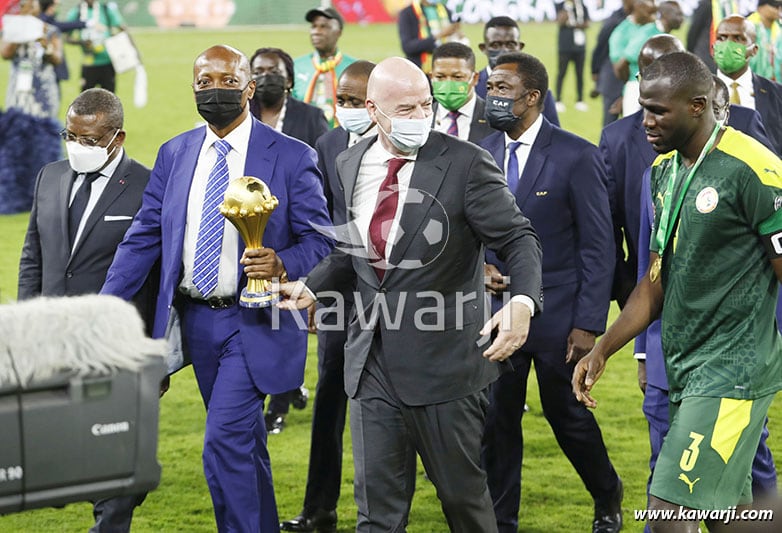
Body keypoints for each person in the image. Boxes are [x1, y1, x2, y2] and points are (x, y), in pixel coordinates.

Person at [277, 56, 543, 533]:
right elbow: (350, 249)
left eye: (426, 106)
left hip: (446, 367)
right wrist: (311, 286)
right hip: (370, 361)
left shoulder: (466, 163)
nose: (420, 117)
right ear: (374, 110)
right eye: (406, 109)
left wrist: (522, 303)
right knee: (376, 514)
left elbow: (518, 238)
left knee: (464, 505)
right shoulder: (347, 163)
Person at [100, 45, 334, 532]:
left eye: (227, 81)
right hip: (194, 319)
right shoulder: (175, 152)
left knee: (223, 442)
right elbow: (143, 237)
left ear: (249, 88)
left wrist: (283, 261)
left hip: (255, 318)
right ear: (192, 90)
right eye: (204, 82)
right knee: (243, 445)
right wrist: (103, 306)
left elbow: (321, 240)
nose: (215, 90)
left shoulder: (292, 156)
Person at [573, 51, 782, 532]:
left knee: (667, 512)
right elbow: (655, 281)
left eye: (657, 110)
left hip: (733, 375)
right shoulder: (664, 172)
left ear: (698, 104)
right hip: (685, 369)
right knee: (727, 516)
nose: (644, 121)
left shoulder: (754, 169)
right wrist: (604, 348)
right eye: (643, 106)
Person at [479, 52, 622, 533]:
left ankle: (607, 495)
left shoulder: (576, 154)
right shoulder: (481, 151)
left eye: (502, 89)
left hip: (560, 316)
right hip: (496, 313)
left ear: (532, 97)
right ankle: (501, 521)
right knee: (497, 422)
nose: (491, 97)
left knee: (568, 418)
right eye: (490, 86)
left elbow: (600, 246)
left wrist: (589, 325)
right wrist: (481, 266)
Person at [17, 87, 154, 533]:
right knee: (61, 437)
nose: (78, 147)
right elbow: (33, 256)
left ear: (118, 137)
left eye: (90, 140)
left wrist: (154, 350)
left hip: (112, 342)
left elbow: (157, 276)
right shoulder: (50, 176)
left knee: (115, 440)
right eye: (70, 135)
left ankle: (109, 523)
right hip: (52, 336)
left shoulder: (147, 186)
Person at [280, 59, 377, 533]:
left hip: (399, 300)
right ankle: (319, 509)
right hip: (340, 295)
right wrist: (318, 290)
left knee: (401, 407)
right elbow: (324, 228)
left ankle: (387, 508)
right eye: (344, 100)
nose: (350, 109)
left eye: (359, 102)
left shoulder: (405, 148)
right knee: (330, 400)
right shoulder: (329, 143)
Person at [600, 34, 684, 309]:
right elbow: (606, 220)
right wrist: (622, 280)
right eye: (653, 71)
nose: (662, 79)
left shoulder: (721, 131)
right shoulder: (616, 140)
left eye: (671, 70)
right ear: (639, 80)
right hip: (648, 295)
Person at [0, 0, 63, 214]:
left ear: (38, 7)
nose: (27, 7)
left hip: (43, 91)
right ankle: (16, 194)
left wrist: (44, 42)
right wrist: (20, 33)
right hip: (19, 92)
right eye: (23, 4)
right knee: (16, 142)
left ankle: (46, 193)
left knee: (43, 143)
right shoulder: (13, 28)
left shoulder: (50, 29)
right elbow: (5, 53)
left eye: (31, 4)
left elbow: (57, 58)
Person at [713, 15, 782, 155]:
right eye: (721, 38)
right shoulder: (698, 92)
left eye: (738, 39)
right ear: (713, 47)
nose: (728, 45)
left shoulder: (776, 93)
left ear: (754, 49)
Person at [475, 16, 560, 126]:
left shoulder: (539, 92)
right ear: (483, 48)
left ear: (520, 47)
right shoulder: (471, 88)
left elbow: (553, 136)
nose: (504, 51)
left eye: (510, 45)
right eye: (496, 45)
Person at [292, 7, 356, 128]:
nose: (316, 31)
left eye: (324, 26)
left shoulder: (354, 68)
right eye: (314, 26)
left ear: (339, 32)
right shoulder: (295, 66)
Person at [430, 42, 493, 144]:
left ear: (475, 78)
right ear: (431, 77)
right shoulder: (421, 119)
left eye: (457, 77)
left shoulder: (494, 120)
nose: (448, 84)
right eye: (440, 77)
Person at [609, 0, 660, 116]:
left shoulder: (650, 28)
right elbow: (619, 64)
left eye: (654, 13)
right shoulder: (621, 31)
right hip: (632, 84)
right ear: (637, 11)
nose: (654, 18)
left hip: (651, 86)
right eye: (650, 13)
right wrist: (628, 88)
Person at [65, 0, 126, 92]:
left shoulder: (105, 9)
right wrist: (81, 42)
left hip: (108, 62)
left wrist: (113, 40)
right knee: (86, 101)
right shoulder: (77, 12)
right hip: (89, 62)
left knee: (109, 100)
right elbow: (67, 37)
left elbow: (122, 28)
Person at [590, 0, 632, 126]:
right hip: (612, 78)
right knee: (610, 123)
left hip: (633, 79)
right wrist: (595, 70)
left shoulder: (642, 23)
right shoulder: (614, 21)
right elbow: (600, 47)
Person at [38, 0, 88, 94]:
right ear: (50, 6)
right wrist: (84, 23)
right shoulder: (43, 21)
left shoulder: (47, 20)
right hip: (46, 69)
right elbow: (61, 26)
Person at [397, 0, 462, 72]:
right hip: (419, 70)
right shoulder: (408, 13)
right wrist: (438, 36)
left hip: (445, 69)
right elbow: (407, 47)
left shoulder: (445, 10)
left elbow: (452, 34)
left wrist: (458, 35)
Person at [554, 0, 590, 113]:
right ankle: (558, 100)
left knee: (579, 74)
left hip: (580, 47)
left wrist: (574, 24)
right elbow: (560, 21)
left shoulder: (582, 6)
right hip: (565, 46)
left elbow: (587, 23)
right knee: (562, 73)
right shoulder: (561, 6)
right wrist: (567, 9)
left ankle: (580, 100)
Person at [687, 0, 737, 73]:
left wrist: (689, 51)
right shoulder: (730, 5)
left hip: (710, 57)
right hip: (712, 58)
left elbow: (694, 31)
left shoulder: (730, 5)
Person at [748, 0, 781, 81]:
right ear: (760, 8)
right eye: (775, 6)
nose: (779, 9)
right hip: (755, 83)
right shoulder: (748, 30)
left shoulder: (779, 31)